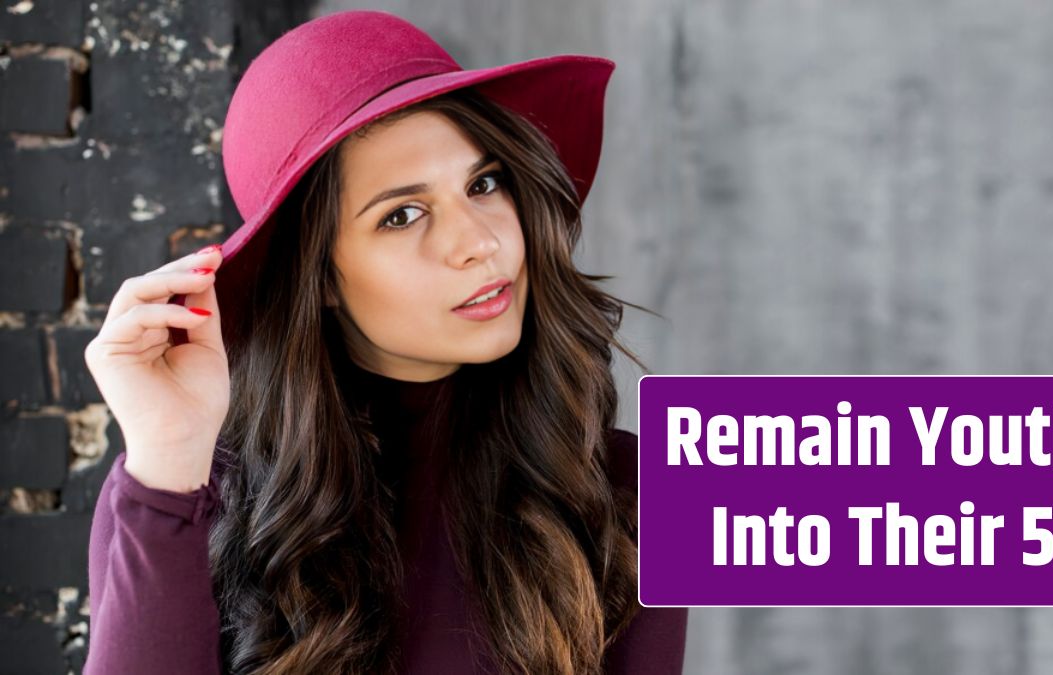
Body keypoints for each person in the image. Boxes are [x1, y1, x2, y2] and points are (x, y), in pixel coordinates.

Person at [81, 10, 687, 674]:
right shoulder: (182, 494)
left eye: (484, 183)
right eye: (402, 215)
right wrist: (168, 460)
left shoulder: (639, 490)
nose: (480, 242)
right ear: (322, 279)